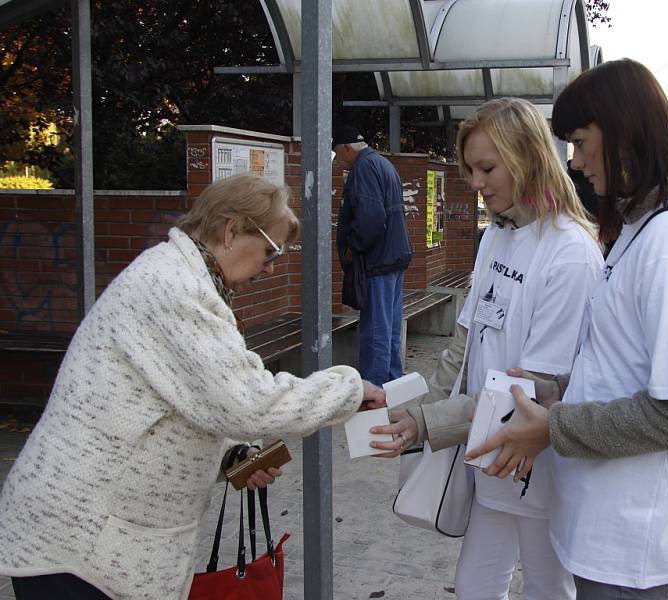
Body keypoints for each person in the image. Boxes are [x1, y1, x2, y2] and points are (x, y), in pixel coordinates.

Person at [0, 172, 385, 600]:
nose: (271, 265)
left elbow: (181, 401)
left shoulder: (185, 280)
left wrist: (233, 455)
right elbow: (248, 402)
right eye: (271, 249)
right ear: (232, 229)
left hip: (101, 542)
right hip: (79, 542)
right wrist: (349, 388)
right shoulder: (172, 288)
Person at [466, 59, 668, 599]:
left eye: (582, 141)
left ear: (622, 133)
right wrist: (557, 393)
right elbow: (622, 366)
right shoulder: (649, 227)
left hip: (631, 540)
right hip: (608, 526)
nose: (576, 159)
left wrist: (555, 426)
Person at [371, 98, 603, 600]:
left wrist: (429, 424)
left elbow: (530, 391)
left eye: (487, 168)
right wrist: (409, 413)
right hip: (487, 455)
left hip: (536, 465)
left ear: (529, 158)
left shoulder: (570, 253)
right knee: (477, 586)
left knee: (548, 588)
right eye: (470, 168)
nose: (475, 182)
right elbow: (462, 346)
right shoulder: (496, 236)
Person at [333, 125, 413, 386]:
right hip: (394, 256)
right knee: (389, 329)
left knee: (376, 331)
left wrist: (351, 246)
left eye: (338, 154)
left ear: (347, 148)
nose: (340, 162)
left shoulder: (363, 168)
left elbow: (371, 218)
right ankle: (392, 385)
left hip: (377, 260)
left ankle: (375, 391)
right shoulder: (383, 163)